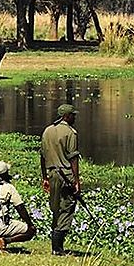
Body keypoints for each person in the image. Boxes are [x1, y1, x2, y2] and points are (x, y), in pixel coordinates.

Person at [40, 103, 81, 256]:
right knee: (67, 207)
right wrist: (76, 181)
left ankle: (55, 246)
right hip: (66, 175)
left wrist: (44, 177)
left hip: (52, 174)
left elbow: (42, 156)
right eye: (73, 115)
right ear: (66, 116)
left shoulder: (47, 131)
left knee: (55, 207)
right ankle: (57, 247)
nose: (74, 117)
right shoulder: (71, 133)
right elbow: (73, 159)